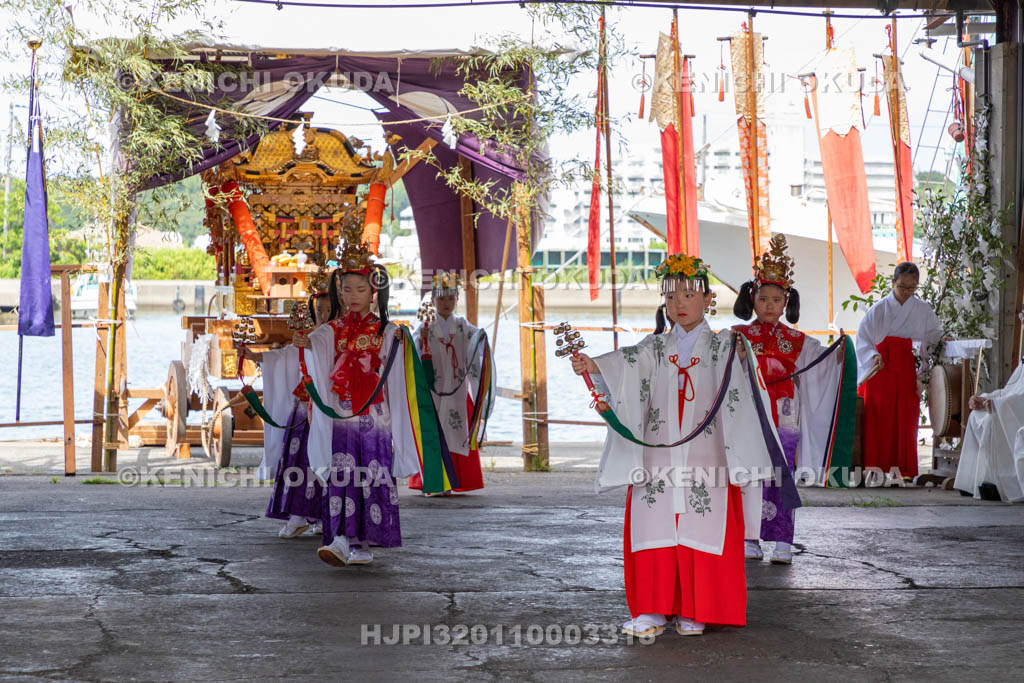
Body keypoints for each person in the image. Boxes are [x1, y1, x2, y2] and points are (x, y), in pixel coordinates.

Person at [570, 253, 791, 638]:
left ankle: (698, 608)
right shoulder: (654, 347)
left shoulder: (724, 345)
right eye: (671, 298)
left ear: (707, 299)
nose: (679, 305)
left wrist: (741, 357)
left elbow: (743, 383)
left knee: (701, 524)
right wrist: (594, 365)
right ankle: (653, 609)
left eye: (689, 295)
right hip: (659, 454)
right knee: (655, 524)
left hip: (708, 456)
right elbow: (625, 364)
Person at [297, 227, 430, 567]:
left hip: (374, 416)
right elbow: (320, 342)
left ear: (374, 293)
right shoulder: (335, 328)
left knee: (372, 473)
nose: (353, 295)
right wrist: (307, 344)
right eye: (346, 289)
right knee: (342, 473)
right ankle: (340, 538)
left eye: (360, 289)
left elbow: (395, 366)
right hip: (343, 413)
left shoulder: (387, 330)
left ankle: (365, 543)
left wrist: (398, 341)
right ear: (339, 293)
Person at [732, 235, 853, 564]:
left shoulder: (798, 341)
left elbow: (824, 364)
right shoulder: (737, 336)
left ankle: (783, 541)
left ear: (786, 303)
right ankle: (749, 538)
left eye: (776, 299)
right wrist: (737, 356)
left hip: (785, 418)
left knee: (782, 476)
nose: (770, 305)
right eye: (764, 298)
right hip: (749, 416)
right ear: (752, 299)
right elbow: (720, 370)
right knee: (749, 477)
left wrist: (841, 355)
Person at [253, 263, 340, 540]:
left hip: (331, 411)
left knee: (328, 463)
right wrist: (256, 357)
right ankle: (298, 515)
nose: (324, 314)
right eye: (320, 309)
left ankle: (323, 518)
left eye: (329, 309)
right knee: (298, 462)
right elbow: (284, 358)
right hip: (305, 410)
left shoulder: (340, 336)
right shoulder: (308, 337)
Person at [409, 271, 494, 494]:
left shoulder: (463, 326)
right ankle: (435, 481)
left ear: (456, 299)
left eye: (450, 298)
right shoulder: (424, 327)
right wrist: (418, 339)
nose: (446, 303)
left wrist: (481, 337)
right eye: (441, 298)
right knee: (434, 433)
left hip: (456, 390)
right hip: (433, 391)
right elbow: (414, 352)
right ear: (433, 300)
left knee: (457, 431)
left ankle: (457, 480)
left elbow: (475, 341)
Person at [856, 262, 943, 479]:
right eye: (902, 287)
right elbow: (863, 338)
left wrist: (940, 341)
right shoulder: (880, 309)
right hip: (881, 366)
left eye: (912, 288)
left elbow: (933, 335)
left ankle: (903, 469)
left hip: (906, 365)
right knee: (879, 416)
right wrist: (873, 356)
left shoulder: (922, 309)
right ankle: (876, 468)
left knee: (905, 417)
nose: (906, 292)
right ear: (893, 283)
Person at [954, 362, 1024, 502]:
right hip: (1011, 406)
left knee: (992, 418)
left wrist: (997, 404)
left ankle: (1001, 484)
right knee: (976, 415)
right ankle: (975, 479)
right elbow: (1008, 391)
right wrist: (985, 398)